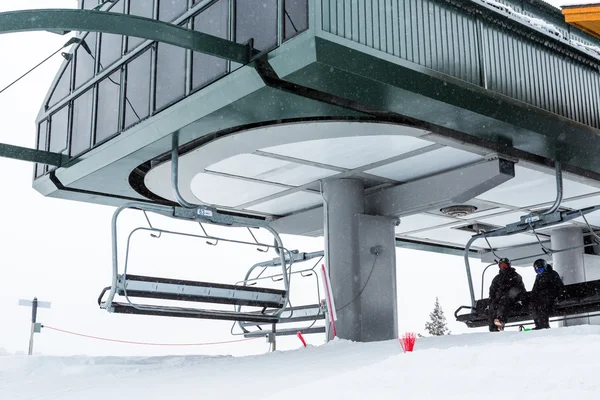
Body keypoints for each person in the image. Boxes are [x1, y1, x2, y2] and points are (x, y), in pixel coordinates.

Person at [488, 258, 526, 332]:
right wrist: (492, 300)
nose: (503, 268)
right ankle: (493, 328)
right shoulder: (497, 278)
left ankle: (501, 321)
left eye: (505, 266)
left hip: (512, 299)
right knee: (493, 305)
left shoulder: (515, 276)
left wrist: (519, 300)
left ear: (509, 266)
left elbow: (521, 289)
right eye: (501, 266)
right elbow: (492, 290)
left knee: (504, 301)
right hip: (499, 298)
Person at [530, 259, 564, 330]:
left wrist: (560, 296)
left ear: (545, 268)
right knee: (533, 305)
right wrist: (531, 297)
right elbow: (535, 289)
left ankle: (544, 325)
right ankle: (539, 324)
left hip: (551, 296)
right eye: (538, 270)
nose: (540, 272)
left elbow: (559, 286)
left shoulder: (552, 274)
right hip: (542, 297)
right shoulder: (538, 277)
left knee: (542, 305)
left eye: (541, 270)